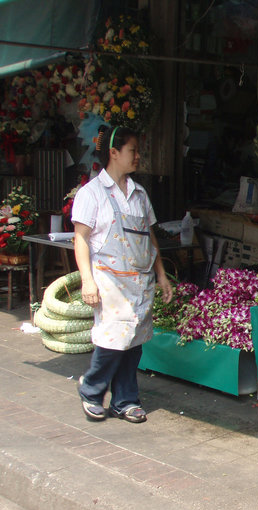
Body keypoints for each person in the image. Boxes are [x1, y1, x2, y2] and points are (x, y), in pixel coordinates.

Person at [73, 125, 174, 423]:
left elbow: (148, 237)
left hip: (139, 281)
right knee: (112, 339)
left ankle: (125, 399)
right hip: (109, 279)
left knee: (133, 343)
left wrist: (162, 274)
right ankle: (91, 389)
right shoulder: (91, 193)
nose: (138, 156)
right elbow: (80, 238)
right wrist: (87, 280)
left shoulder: (140, 194)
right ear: (114, 153)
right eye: (133, 151)